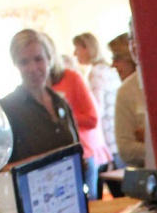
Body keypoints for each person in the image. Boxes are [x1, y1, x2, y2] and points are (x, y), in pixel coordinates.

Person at [46, 36, 111, 200]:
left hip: (82, 151)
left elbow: (92, 118)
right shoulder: (31, 92)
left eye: (39, 58)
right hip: (54, 159)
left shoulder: (71, 78)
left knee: (89, 201)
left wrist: (60, 119)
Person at [0, 29, 79, 164]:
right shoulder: (7, 109)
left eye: (38, 59)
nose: (32, 68)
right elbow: (0, 168)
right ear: (16, 65)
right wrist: (40, 164)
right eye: (24, 62)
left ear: (49, 59)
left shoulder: (60, 102)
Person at [73, 32, 121, 167]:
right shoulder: (107, 69)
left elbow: (97, 110)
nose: (75, 54)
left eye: (77, 49)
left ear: (87, 48)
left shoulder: (95, 73)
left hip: (109, 138)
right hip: (116, 133)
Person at [110, 28, 146, 168]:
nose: (112, 65)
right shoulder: (125, 92)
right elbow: (126, 149)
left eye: (117, 58)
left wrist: (147, 138)